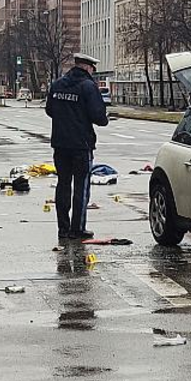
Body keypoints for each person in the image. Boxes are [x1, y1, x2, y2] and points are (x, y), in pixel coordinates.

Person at [45, 53, 108, 241]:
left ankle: (63, 228)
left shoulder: (57, 85)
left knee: (63, 184)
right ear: (88, 67)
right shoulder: (88, 86)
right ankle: (77, 229)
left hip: (60, 143)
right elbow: (99, 117)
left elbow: (50, 110)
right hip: (81, 144)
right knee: (81, 186)